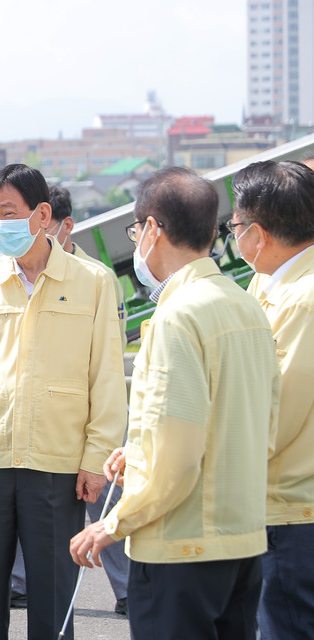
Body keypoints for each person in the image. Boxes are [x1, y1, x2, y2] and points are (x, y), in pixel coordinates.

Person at [70, 167, 280, 640]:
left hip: (181, 547)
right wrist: (140, 451)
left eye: (135, 229)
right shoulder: (245, 302)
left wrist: (110, 525)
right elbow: (258, 426)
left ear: (151, 229)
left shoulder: (177, 316)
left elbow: (176, 458)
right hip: (243, 538)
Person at [0, 163, 127, 640]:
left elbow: (106, 376)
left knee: (52, 594)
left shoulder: (94, 282)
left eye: (9, 212)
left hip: (58, 461)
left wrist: (96, 457)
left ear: (42, 214)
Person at [10, 184, 130, 616]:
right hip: (38, 413)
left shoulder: (95, 279)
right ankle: (19, 582)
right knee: (28, 501)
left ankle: (128, 587)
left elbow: (108, 361)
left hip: (85, 411)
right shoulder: (16, 272)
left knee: (103, 497)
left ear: (62, 225)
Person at [231, 160, 314, 639]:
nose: (233, 236)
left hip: (291, 508)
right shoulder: (270, 281)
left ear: (258, 234)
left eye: (236, 226)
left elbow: (273, 417)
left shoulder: (301, 300)